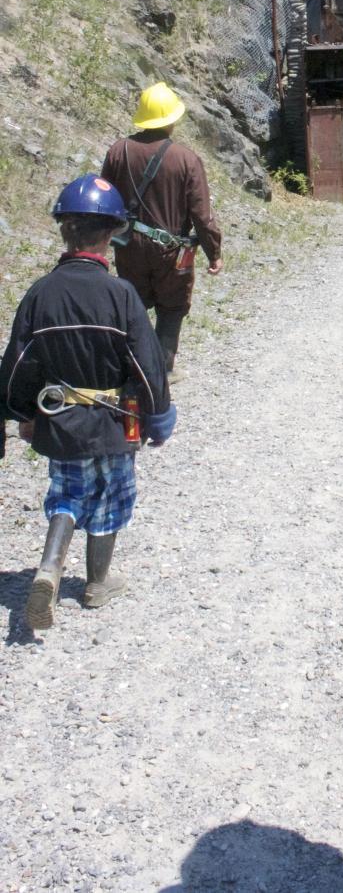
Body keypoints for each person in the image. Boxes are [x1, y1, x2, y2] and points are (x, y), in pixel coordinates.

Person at [0, 175, 175, 629]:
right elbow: (147, 365)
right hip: (115, 424)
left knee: (67, 494)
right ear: (113, 233)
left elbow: (18, 365)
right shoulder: (121, 296)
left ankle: (49, 568)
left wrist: (20, 416)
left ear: (63, 231)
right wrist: (158, 416)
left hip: (59, 420)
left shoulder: (41, 294)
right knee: (112, 497)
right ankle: (97, 583)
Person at [101, 83, 222, 375]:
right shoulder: (186, 159)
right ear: (171, 119)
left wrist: (99, 245)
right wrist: (214, 253)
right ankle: (159, 374)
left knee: (134, 306)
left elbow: (106, 202)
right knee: (171, 309)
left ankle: (132, 368)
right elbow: (201, 215)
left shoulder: (118, 151)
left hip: (128, 246)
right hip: (172, 251)